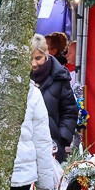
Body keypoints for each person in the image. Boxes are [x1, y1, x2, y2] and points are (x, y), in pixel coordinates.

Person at [30, 33, 77, 163]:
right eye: (30, 59)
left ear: (46, 54)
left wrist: (61, 140)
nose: (34, 64)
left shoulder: (60, 77)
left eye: (38, 58)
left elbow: (70, 111)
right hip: (26, 148)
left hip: (52, 148)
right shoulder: (21, 79)